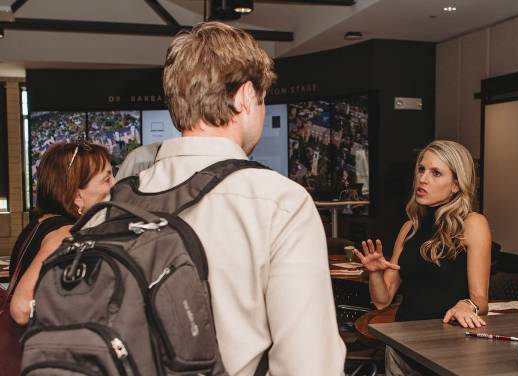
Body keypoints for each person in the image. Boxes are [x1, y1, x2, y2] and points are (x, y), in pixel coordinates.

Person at [134, 22, 345, 375]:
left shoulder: (113, 204)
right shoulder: (280, 203)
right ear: (246, 97)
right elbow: (308, 365)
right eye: (263, 100)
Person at [353, 140, 491, 375]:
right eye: (421, 169)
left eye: (436, 173)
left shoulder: (473, 224)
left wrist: (465, 304)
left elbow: (481, 300)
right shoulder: (410, 228)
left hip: (447, 348)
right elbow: (382, 300)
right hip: (402, 345)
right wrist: (375, 273)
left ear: (456, 185)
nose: (423, 179)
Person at [9, 141, 114, 325]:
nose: (115, 184)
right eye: (107, 179)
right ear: (77, 197)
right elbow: (22, 309)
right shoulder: (64, 234)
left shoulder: (40, 224)